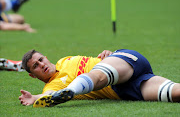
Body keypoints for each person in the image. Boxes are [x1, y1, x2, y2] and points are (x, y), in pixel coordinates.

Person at [19, 49, 180, 107]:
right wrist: (34, 98)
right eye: (36, 66)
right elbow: (47, 96)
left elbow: (95, 60)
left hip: (124, 62)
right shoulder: (51, 88)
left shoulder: (64, 60)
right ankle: (72, 90)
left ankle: (72, 90)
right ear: (33, 75)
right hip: (124, 89)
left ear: (46, 57)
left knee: (97, 75)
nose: (42, 64)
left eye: (41, 60)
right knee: (174, 93)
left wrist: (107, 53)